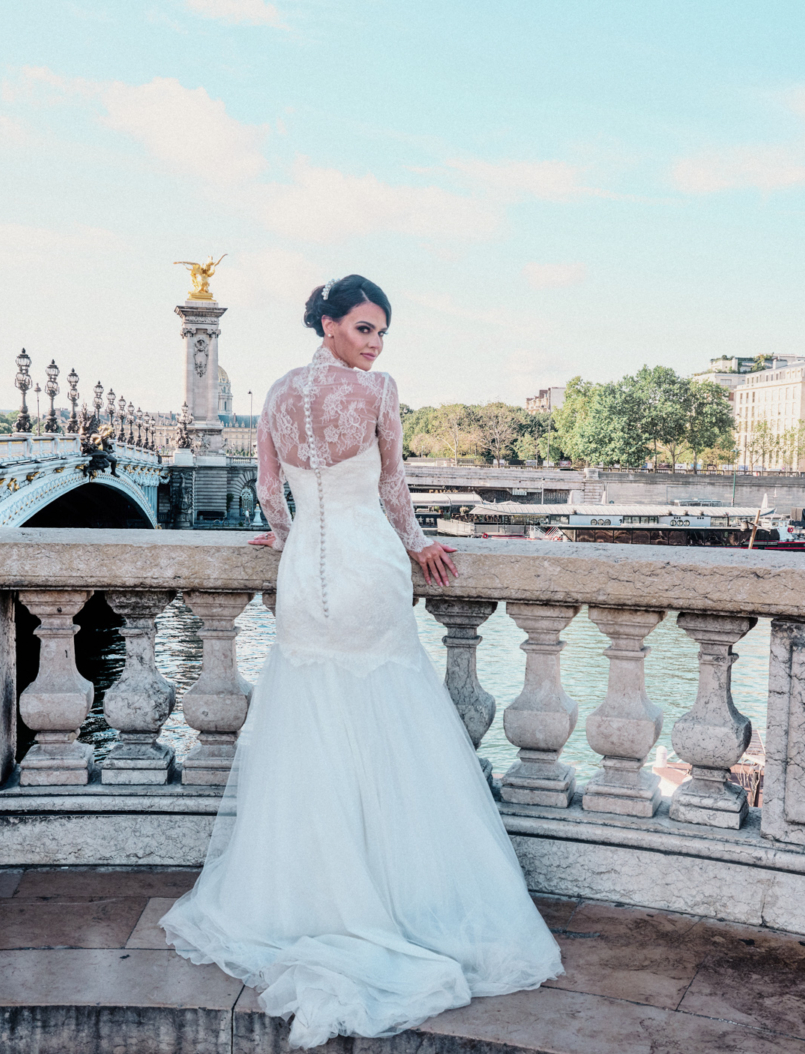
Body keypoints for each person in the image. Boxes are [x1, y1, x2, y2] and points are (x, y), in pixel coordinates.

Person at [160, 275, 562, 1047]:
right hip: (370, 567)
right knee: (390, 717)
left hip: (304, 572)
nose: (375, 343)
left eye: (382, 331)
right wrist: (418, 546)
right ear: (331, 323)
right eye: (366, 327)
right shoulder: (377, 391)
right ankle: (394, 887)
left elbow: (269, 490)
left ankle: (313, 893)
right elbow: (393, 487)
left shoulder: (278, 393)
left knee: (311, 721)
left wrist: (282, 541)